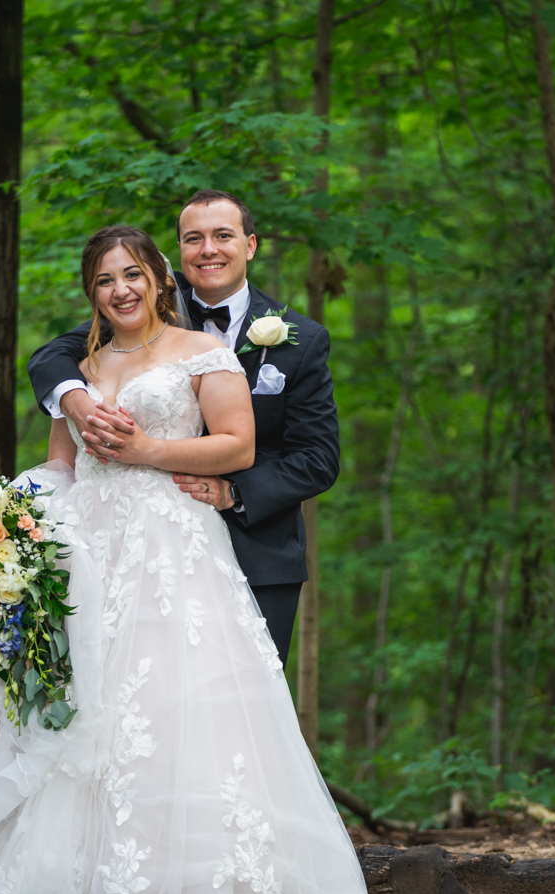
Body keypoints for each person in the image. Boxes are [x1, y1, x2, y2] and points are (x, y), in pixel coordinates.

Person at [0, 225, 382, 894]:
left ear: (159, 278)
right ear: (92, 292)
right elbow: (63, 464)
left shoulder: (203, 354)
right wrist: (1, 523)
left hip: (175, 548)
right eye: (104, 280)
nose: (120, 289)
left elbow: (239, 446)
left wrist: (149, 452)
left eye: (133, 274)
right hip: (90, 556)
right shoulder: (80, 371)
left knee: (176, 717)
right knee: (87, 725)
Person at [26, 189, 336, 667]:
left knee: (237, 709)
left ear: (250, 245)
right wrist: (76, 401)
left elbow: (318, 459)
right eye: (194, 239)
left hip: (260, 551)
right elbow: (52, 357)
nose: (208, 249)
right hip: (132, 546)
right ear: (176, 254)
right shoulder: (136, 306)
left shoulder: (301, 339)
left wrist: (234, 492)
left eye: (223, 236)